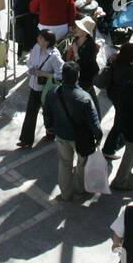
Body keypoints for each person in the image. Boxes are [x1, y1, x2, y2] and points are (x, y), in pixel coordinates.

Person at [42, 62, 102, 202]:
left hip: (61, 135)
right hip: (81, 139)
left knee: (64, 164)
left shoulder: (52, 93)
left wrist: (49, 127)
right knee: (82, 164)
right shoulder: (84, 97)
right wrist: (98, 137)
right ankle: (82, 190)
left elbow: (47, 114)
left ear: (62, 76)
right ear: (77, 76)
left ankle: (65, 194)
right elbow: (94, 123)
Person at [18, 30, 63, 148]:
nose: (38, 38)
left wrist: (43, 74)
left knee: (47, 113)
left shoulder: (54, 56)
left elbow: (61, 74)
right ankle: (26, 140)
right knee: (30, 113)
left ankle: (50, 131)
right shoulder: (36, 48)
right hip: (34, 86)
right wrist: (32, 69)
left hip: (46, 90)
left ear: (47, 41)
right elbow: (30, 62)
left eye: (41, 38)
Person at [99, 41, 133, 158]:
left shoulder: (114, 60)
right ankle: (108, 149)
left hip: (112, 92)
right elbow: (126, 84)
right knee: (119, 123)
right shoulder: (128, 68)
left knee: (120, 120)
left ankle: (117, 141)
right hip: (120, 96)